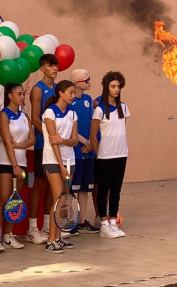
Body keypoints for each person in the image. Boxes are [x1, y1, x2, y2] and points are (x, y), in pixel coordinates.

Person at [0, 82, 34, 250]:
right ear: (10, 95)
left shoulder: (25, 116)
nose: (22, 97)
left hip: (21, 162)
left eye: (23, 94)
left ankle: (8, 236)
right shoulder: (3, 115)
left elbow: (32, 140)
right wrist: (14, 165)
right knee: (3, 199)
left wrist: (20, 146)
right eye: (19, 94)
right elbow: (7, 141)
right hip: (6, 163)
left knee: (14, 201)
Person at [91, 71, 131, 239]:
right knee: (103, 190)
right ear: (106, 88)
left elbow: (121, 129)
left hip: (121, 154)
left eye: (118, 86)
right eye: (113, 86)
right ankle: (104, 224)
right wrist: (98, 152)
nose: (116, 89)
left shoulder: (124, 108)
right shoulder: (99, 109)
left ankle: (114, 221)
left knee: (116, 189)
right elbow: (93, 135)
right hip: (105, 156)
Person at [41, 80, 80, 253]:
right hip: (52, 161)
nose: (73, 96)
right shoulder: (50, 113)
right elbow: (52, 141)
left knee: (63, 199)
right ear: (61, 93)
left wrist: (64, 140)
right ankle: (50, 241)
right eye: (71, 92)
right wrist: (61, 165)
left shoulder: (73, 113)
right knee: (58, 199)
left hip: (70, 160)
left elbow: (74, 141)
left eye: (74, 93)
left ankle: (58, 238)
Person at [27, 54, 59, 244]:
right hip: (42, 144)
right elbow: (35, 118)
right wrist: (48, 137)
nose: (54, 68)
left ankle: (48, 226)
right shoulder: (37, 90)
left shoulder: (58, 89)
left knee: (51, 186)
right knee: (39, 185)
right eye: (50, 65)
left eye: (56, 65)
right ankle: (32, 229)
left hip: (55, 144)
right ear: (42, 68)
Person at [70, 68, 100, 234]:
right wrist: (84, 141)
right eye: (86, 80)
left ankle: (82, 221)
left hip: (88, 151)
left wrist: (91, 143)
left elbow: (92, 122)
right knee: (73, 188)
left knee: (85, 189)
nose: (89, 82)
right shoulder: (69, 101)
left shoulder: (88, 100)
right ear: (77, 84)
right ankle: (71, 220)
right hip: (75, 152)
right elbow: (68, 127)